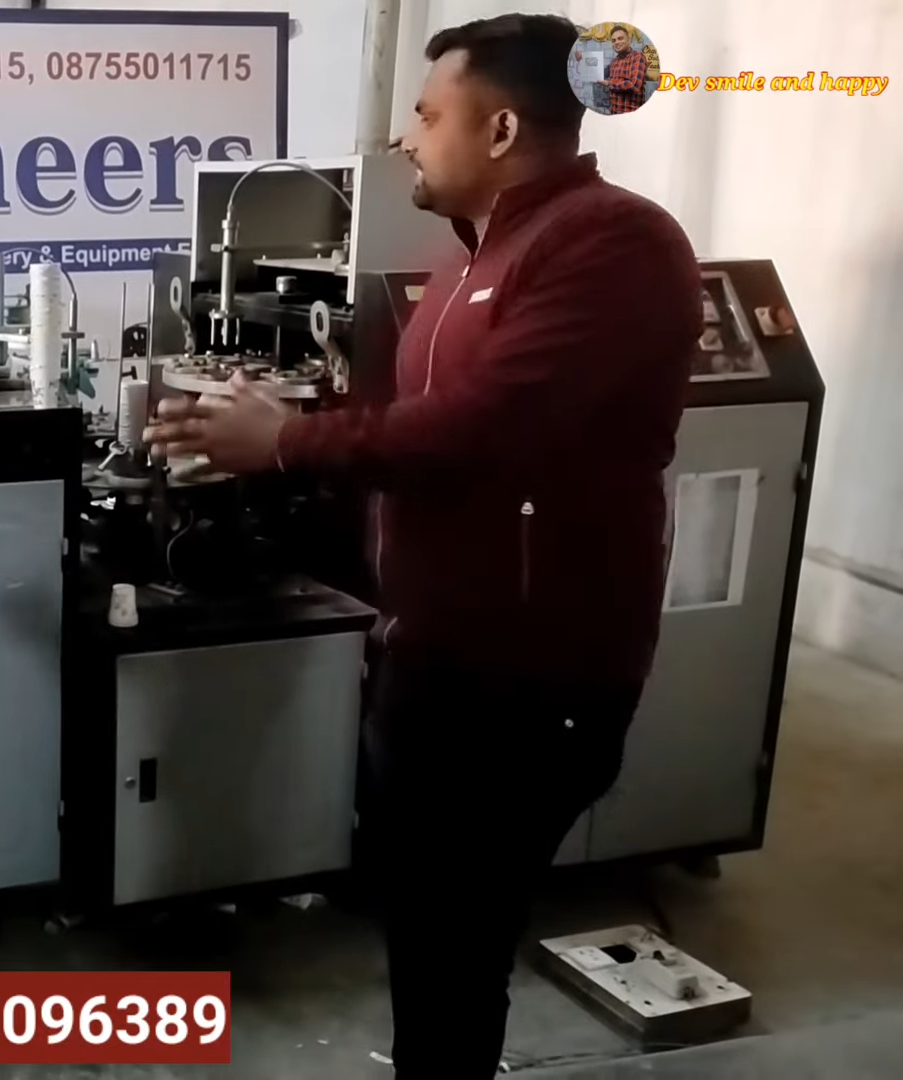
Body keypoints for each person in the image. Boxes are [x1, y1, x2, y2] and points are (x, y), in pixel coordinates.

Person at [145, 14, 701, 1078]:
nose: (405, 136)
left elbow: (484, 431)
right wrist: (266, 419)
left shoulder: (613, 243)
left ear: (501, 129)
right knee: (430, 937)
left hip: (529, 686)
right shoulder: (467, 265)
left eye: (427, 114)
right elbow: (415, 427)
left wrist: (288, 443)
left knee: (455, 948)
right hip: (437, 663)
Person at [600, 24, 651, 113]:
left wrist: (609, 83)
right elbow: (598, 74)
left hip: (630, 115)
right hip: (614, 113)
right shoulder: (614, 62)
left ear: (629, 40)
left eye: (620, 38)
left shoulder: (637, 56)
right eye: (613, 40)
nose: (616, 42)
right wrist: (582, 58)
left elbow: (634, 85)